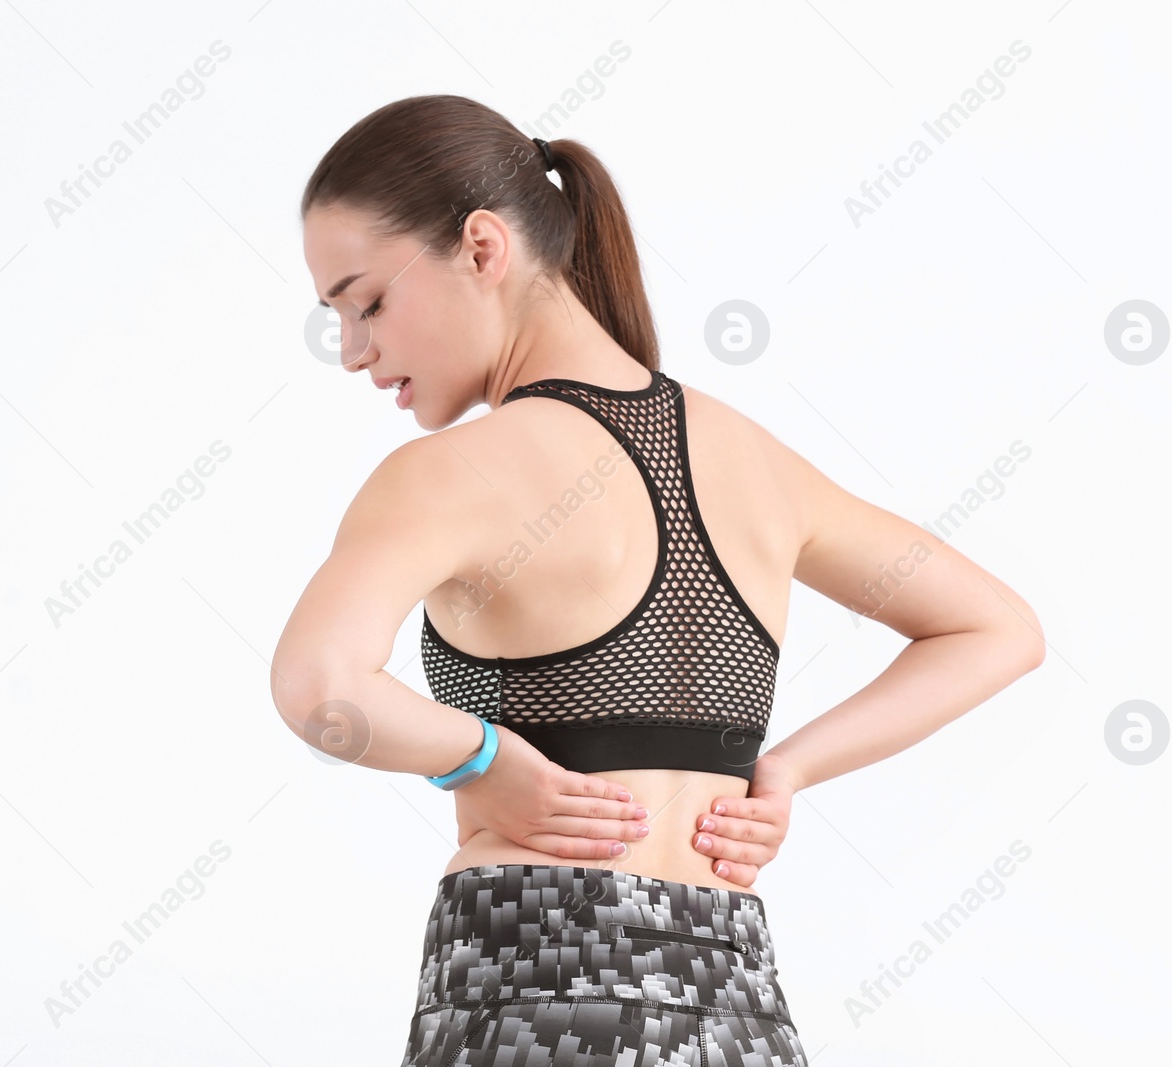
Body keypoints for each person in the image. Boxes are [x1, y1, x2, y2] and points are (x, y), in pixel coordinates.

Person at [272, 94, 1045, 1066]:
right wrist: (787, 770)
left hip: (534, 982)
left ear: (480, 247)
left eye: (368, 300)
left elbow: (319, 689)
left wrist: (481, 759)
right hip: (735, 997)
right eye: (336, 317)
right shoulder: (756, 461)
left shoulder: (451, 474)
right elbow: (998, 628)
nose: (352, 350)